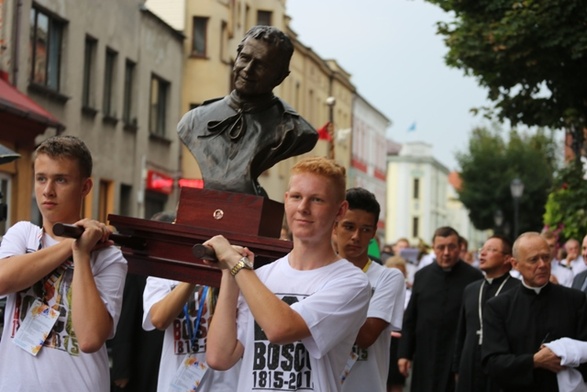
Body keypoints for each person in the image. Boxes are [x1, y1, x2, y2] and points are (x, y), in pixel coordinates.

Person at [201, 156, 371, 392]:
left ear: (340, 210)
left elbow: (281, 329)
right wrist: (231, 274)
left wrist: (235, 263)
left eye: (317, 199)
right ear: (286, 200)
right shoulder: (258, 277)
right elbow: (220, 357)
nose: (303, 208)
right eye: (296, 197)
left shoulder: (352, 283)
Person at [0, 135, 127, 391]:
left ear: (85, 187)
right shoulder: (24, 234)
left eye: (61, 179)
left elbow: (90, 338)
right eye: (41, 178)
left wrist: (81, 255)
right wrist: (71, 244)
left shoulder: (108, 255)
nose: (48, 190)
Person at [177, 25, 318, 197]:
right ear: (236, 57)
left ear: (280, 77)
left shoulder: (295, 130)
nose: (247, 69)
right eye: (244, 58)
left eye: (261, 65)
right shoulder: (194, 120)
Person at [482, 232, 587, 391]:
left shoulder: (575, 300)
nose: (542, 264)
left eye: (546, 257)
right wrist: (533, 361)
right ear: (515, 264)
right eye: (533, 260)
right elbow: (493, 363)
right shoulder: (498, 307)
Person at [332, 187, 405, 392]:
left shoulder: (389, 277)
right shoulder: (316, 272)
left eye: (365, 229)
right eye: (349, 226)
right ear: (334, 226)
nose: (356, 236)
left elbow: (366, 336)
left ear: (373, 233)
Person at [397, 226, 483, 392]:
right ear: (433, 248)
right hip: (425, 353)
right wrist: (404, 354)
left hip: (457, 355)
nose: (446, 252)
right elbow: (410, 317)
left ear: (459, 248)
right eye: (440, 247)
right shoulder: (422, 276)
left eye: (451, 247)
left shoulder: (474, 278)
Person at [109, 212, 174, 392]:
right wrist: (122, 368)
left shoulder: (175, 267)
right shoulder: (138, 266)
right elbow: (126, 317)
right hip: (141, 356)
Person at [143, 280, 240, 391]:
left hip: (229, 382)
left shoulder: (233, 269)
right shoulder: (165, 273)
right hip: (178, 382)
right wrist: (196, 274)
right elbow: (159, 320)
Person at [453, 235, 520, 392]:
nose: (482, 254)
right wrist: (457, 367)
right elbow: (461, 331)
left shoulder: (517, 290)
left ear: (507, 259)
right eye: (482, 249)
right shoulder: (471, 289)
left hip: (501, 368)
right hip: (469, 365)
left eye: (490, 250)